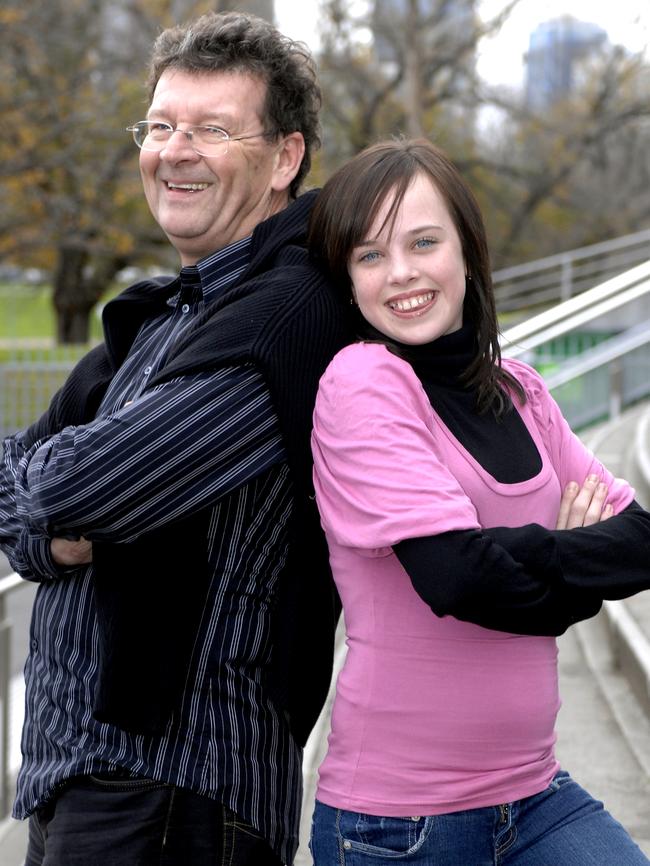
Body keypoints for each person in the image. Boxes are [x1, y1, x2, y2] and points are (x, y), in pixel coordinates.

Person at [0, 11, 349, 866]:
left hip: (176, 796)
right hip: (81, 782)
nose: (175, 150)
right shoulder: (164, 314)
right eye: (161, 126)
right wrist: (53, 535)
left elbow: (69, 486)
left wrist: (55, 501)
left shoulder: (290, 313)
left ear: (286, 157)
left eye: (212, 129)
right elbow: (17, 484)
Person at [306, 138, 650, 865]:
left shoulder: (521, 390)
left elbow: (642, 540)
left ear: (467, 249)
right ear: (348, 280)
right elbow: (456, 577)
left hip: (536, 797)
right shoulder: (363, 382)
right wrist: (574, 584)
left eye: (423, 242)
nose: (401, 273)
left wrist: (513, 559)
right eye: (369, 256)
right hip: (398, 823)